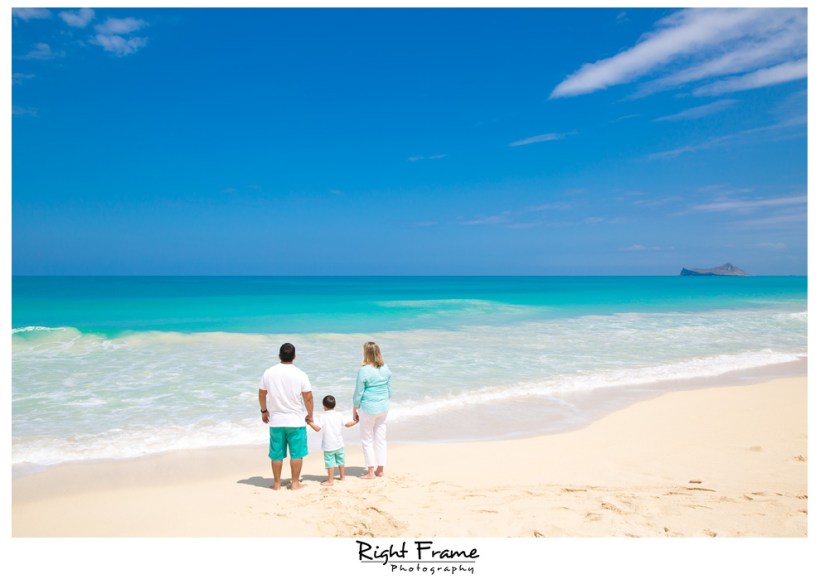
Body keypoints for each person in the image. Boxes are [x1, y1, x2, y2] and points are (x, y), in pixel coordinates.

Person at [258, 342, 313, 491]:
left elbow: (262, 394)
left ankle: (277, 484)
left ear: (279, 356)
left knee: (276, 454)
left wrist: (264, 411)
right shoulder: (300, 374)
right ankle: (295, 483)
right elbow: (308, 398)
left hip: (276, 421)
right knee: (297, 454)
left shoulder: (269, 372)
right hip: (296, 421)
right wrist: (310, 415)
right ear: (294, 356)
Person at [352, 341, 392, 479]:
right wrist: (385, 400)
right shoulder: (385, 368)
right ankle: (380, 469)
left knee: (367, 439)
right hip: (383, 407)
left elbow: (358, 392)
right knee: (381, 439)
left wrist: (355, 408)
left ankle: (370, 471)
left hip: (368, 408)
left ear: (366, 353)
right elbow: (389, 389)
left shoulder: (364, 370)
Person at [307, 395, 358, 486]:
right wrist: (356, 421)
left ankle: (330, 480)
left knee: (329, 462)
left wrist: (310, 423)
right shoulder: (339, 415)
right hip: (339, 444)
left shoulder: (322, 416)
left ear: (324, 406)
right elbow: (347, 424)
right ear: (335, 405)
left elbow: (317, 428)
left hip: (329, 445)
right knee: (341, 460)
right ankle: (342, 477)